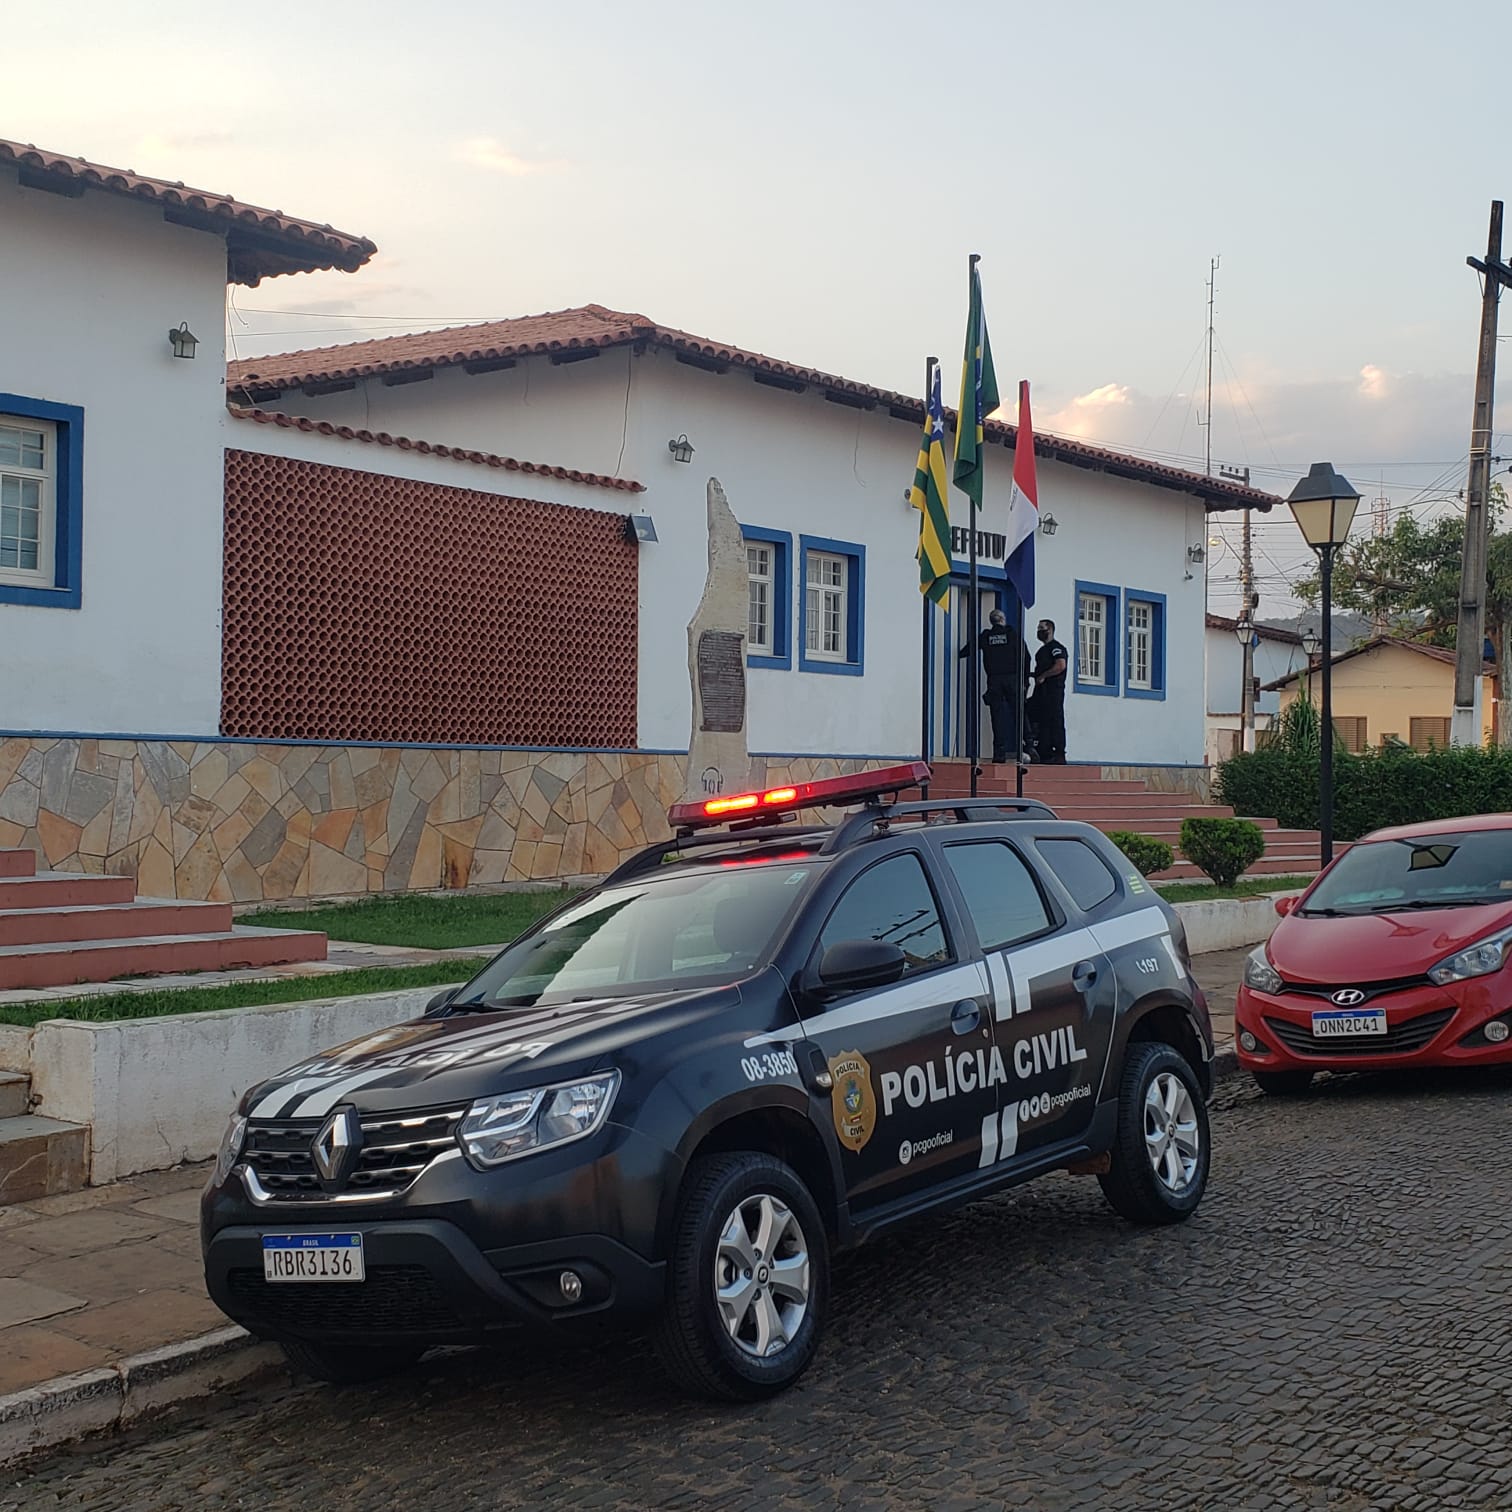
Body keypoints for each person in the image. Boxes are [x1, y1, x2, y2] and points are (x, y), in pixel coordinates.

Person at [959, 609, 1032, 766]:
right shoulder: (1012, 635)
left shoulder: (986, 636)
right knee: (1019, 714)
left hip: (994, 680)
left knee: (997, 717)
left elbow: (966, 650)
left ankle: (999, 753)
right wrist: (1025, 681)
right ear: (1003, 620)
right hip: (1013, 680)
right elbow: (1026, 657)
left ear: (991, 621)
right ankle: (1029, 746)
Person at [1028, 617, 1069, 764]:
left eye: (1041, 629)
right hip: (1041, 692)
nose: (1038, 632)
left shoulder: (1056, 648)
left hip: (1053, 691)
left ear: (1050, 630)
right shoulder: (1042, 650)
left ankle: (1058, 753)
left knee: (1055, 720)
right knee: (1038, 718)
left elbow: (1060, 665)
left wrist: (1044, 676)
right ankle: (1042, 751)